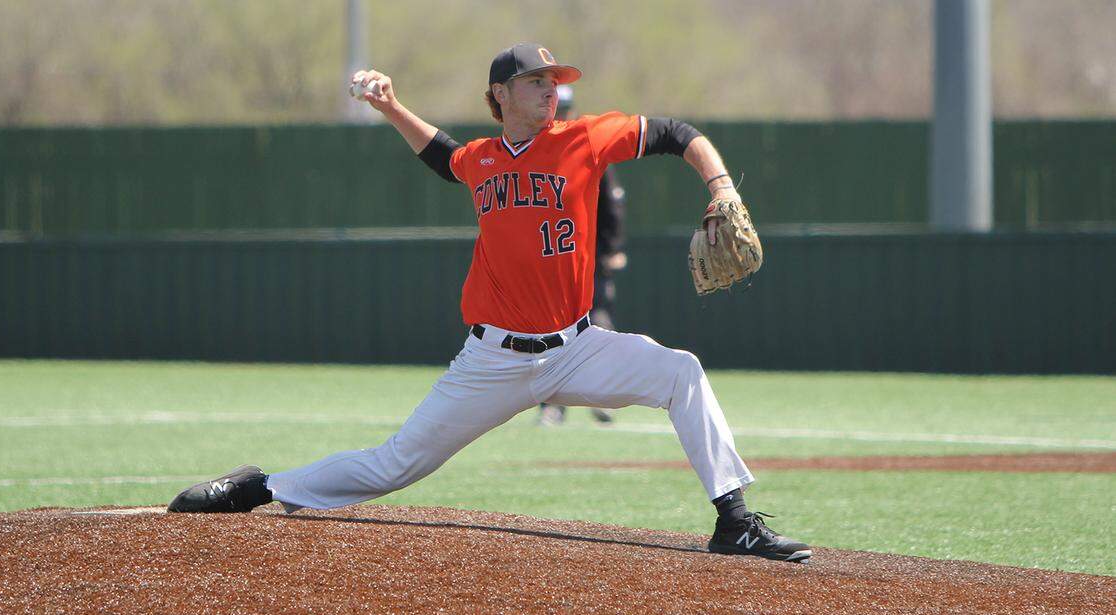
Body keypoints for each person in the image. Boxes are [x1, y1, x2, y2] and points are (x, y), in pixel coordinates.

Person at [168, 43, 811, 563]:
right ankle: (262, 486)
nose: (548, 89)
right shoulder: (482, 160)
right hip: (493, 360)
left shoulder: (583, 139)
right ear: (499, 96)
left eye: (552, 79)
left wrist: (721, 185)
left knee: (681, 371)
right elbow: (443, 157)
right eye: (534, 80)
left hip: (578, 347)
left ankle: (733, 520)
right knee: (397, 463)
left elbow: (675, 131)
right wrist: (392, 105)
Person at [538, 84, 623, 427]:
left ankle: (604, 398)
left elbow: (613, 204)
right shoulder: (535, 148)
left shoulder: (585, 146)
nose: (559, 115)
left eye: (563, 108)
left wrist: (612, 248)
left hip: (587, 258)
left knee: (596, 325)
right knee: (544, 329)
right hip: (548, 259)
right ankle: (552, 405)